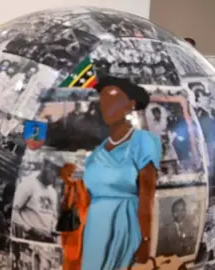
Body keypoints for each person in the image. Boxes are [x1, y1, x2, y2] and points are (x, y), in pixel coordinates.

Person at [62, 76, 162, 269]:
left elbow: (146, 195)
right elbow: (86, 187)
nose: (106, 105)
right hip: (94, 228)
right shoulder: (97, 152)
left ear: (131, 104)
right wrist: (69, 176)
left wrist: (146, 240)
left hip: (124, 224)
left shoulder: (143, 141)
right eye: (103, 100)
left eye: (114, 98)